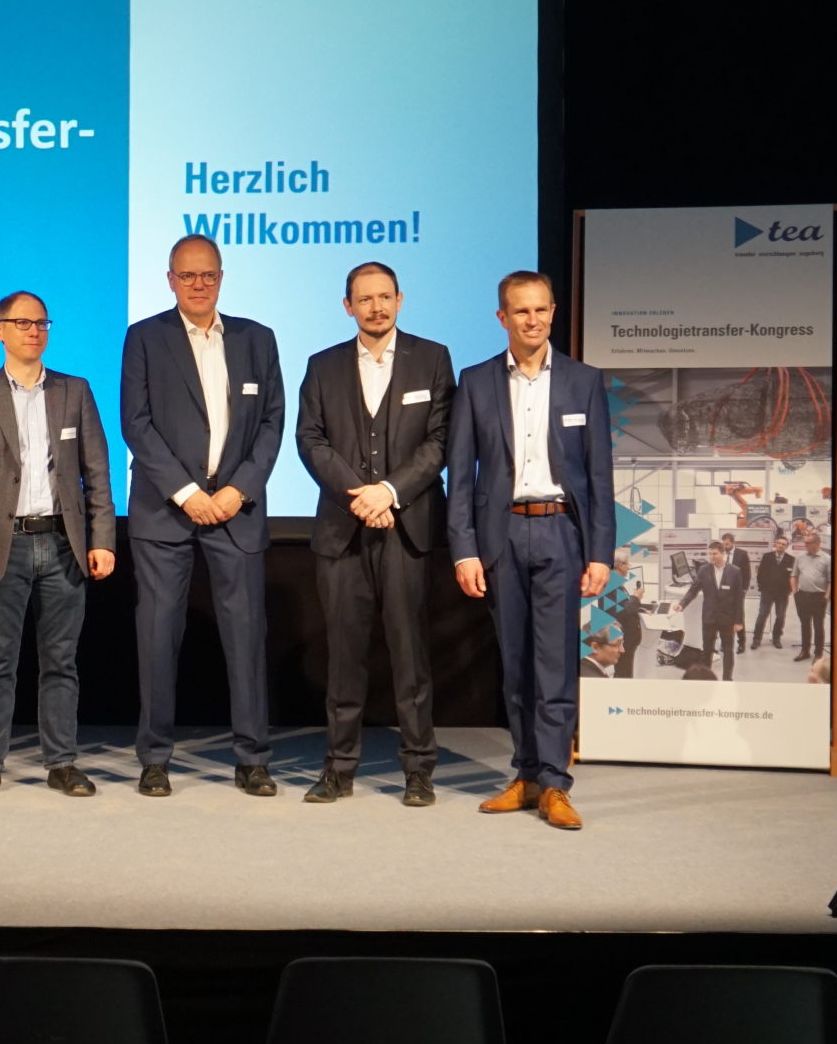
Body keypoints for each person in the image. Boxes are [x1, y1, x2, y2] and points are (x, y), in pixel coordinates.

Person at [444, 270, 614, 832]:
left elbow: (599, 474)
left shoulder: (584, 381)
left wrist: (601, 552)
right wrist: (464, 550)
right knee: (516, 668)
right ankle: (526, 776)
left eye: (541, 309)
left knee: (555, 666)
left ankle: (556, 783)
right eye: (521, 311)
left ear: (553, 312)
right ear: (503, 318)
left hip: (562, 532)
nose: (532, 320)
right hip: (503, 535)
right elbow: (460, 476)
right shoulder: (476, 382)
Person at [120, 234, 285, 798]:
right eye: (186, 275)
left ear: (221, 278)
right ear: (170, 280)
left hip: (237, 511)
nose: (198, 284)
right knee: (157, 637)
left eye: (207, 275)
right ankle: (154, 759)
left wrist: (240, 489)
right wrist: (187, 492)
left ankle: (252, 758)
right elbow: (136, 423)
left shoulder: (257, 338)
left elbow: (273, 422)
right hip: (166, 511)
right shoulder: (145, 337)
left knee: (246, 639)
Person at [293, 261, 454, 805]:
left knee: (411, 656)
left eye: (385, 297)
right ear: (348, 307)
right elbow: (311, 440)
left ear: (400, 300)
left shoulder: (432, 358)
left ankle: (419, 770)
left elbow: (440, 440)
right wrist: (359, 497)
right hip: (342, 532)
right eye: (365, 299)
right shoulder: (322, 365)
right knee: (343, 655)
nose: (376, 307)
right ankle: (338, 768)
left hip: (408, 529)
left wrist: (388, 492)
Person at [0, 291, 116, 797]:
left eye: (41, 323)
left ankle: (62, 763)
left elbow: (97, 471)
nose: (34, 331)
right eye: (22, 323)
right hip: (5, 547)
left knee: (61, 661)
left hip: (63, 544)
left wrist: (103, 538)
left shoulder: (74, 391)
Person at [677, 542, 748, 682]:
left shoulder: (735, 571)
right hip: (709, 617)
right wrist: (682, 604)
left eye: (715, 553)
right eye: (709, 553)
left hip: (727, 618)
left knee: (728, 650)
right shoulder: (703, 570)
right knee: (707, 650)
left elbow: (738, 599)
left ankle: (727, 678)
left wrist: (739, 621)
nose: (711, 556)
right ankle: (705, 679)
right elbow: (693, 590)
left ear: (723, 553)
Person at [601, 546, 645, 679]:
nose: (629, 567)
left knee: (625, 669)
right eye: (627, 564)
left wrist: (639, 607)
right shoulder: (611, 586)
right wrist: (636, 598)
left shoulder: (615, 583)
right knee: (623, 672)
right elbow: (621, 613)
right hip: (622, 638)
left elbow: (623, 605)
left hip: (627, 638)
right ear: (620, 565)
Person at [793, 532, 834, 661]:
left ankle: (818, 653)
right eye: (805, 542)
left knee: (818, 626)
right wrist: (795, 593)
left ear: (817, 543)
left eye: (808, 543)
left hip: (818, 597)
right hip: (802, 596)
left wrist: (826, 597)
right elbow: (794, 576)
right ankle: (805, 651)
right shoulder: (800, 557)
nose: (805, 545)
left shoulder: (827, 559)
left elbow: (831, 581)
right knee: (804, 624)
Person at [754, 534, 795, 649]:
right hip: (767, 592)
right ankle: (756, 639)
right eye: (779, 543)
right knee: (762, 615)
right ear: (775, 544)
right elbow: (760, 573)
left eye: (783, 544)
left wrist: (789, 590)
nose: (781, 545)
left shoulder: (791, 559)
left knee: (780, 616)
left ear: (787, 546)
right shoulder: (767, 556)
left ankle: (776, 638)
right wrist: (762, 587)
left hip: (782, 594)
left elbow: (792, 576)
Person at [717, 532, 753, 651]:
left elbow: (747, 574)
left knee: (738, 617)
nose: (725, 546)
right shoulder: (721, 553)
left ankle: (741, 642)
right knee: (724, 617)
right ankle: (724, 642)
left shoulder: (742, 554)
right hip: (723, 591)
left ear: (733, 543)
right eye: (723, 544)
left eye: (727, 544)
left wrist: (744, 590)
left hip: (737, 591)